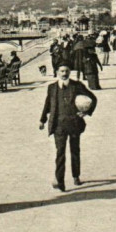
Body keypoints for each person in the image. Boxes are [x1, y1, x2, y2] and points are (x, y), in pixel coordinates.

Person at [39, 62, 98, 191]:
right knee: (60, 153)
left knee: (75, 151)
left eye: (66, 71)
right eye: (62, 71)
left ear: (70, 72)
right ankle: (60, 181)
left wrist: (86, 112)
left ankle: (76, 176)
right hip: (58, 125)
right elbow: (47, 104)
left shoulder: (77, 86)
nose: (64, 73)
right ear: (57, 72)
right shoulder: (52, 88)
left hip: (74, 123)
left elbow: (93, 98)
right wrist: (42, 120)